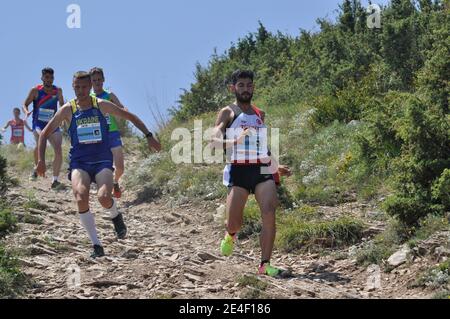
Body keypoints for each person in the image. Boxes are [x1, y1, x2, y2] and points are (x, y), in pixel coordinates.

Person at [36, 71, 161, 258]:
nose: (80, 91)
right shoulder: (68, 109)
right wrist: (40, 160)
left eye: (84, 87)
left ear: (91, 87)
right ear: (73, 87)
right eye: (77, 87)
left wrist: (149, 136)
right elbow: (45, 133)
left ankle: (115, 215)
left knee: (103, 197)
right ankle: (96, 245)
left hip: (102, 161)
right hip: (80, 163)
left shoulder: (101, 105)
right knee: (80, 197)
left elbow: (130, 117)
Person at [210, 70, 292, 277]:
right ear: (233, 88)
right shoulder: (227, 112)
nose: (245, 89)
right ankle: (230, 235)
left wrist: (276, 164)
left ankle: (265, 264)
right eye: (241, 85)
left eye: (249, 85)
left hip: (261, 168)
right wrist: (234, 141)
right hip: (238, 170)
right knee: (234, 222)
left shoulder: (259, 114)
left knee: (269, 211)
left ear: (253, 88)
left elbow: (262, 144)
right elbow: (214, 141)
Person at [23, 67, 65, 188]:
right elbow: (25, 104)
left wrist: (62, 117)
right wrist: (26, 111)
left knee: (58, 149)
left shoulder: (58, 91)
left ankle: (55, 180)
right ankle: (36, 169)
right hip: (38, 124)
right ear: (42, 78)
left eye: (51, 78)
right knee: (40, 145)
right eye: (46, 77)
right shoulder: (35, 90)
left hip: (53, 124)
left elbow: (62, 105)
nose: (49, 80)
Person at [90, 67, 126, 198]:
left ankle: (115, 182)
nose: (97, 82)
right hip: (97, 136)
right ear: (90, 82)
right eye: (94, 80)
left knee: (120, 168)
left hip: (113, 133)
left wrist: (122, 111)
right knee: (103, 166)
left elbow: (122, 108)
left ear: (103, 80)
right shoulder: (89, 98)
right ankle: (105, 190)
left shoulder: (109, 95)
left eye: (99, 79)